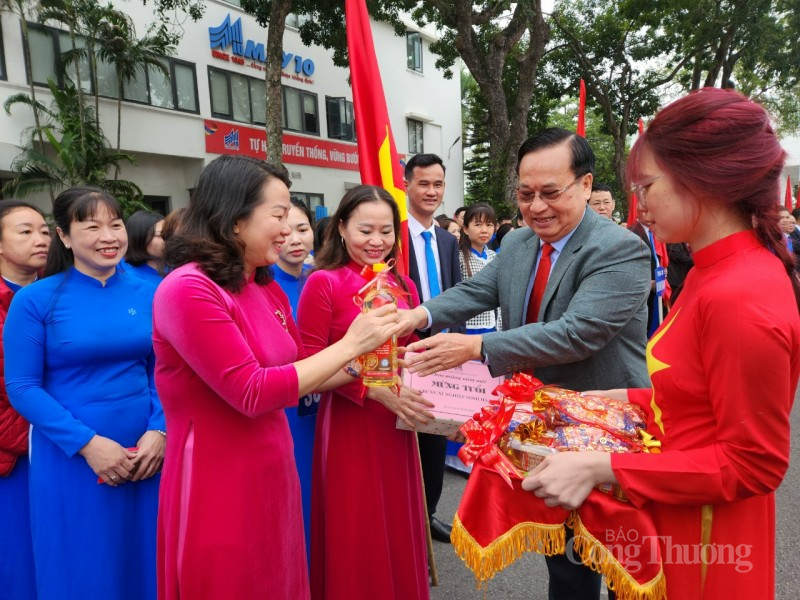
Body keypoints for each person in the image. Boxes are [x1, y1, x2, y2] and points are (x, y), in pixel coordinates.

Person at [522, 89, 800, 598]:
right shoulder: (711, 271)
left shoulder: (740, 293)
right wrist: (616, 402)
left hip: (708, 540)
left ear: (708, 180)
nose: (639, 204)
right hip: (676, 508)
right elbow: (698, 402)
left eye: (647, 186)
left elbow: (753, 462)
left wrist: (599, 465)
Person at [399, 128, 651, 600]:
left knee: (621, 565)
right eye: (525, 193)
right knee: (565, 558)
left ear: (584, 183)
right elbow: (477, 291)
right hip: (541, 426)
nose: (537, 207)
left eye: (550, 193)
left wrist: (476, 348)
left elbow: (579, 332)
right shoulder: (518, 244)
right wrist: (419, 313)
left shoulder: (618, 247)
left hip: (606, 428)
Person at [152, 156, 401, 600]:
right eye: (279, 215)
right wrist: (352, 345)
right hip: (219, 477)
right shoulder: (189, 289)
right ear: (234, 220)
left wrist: (377, 365)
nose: (291, 230)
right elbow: (251, 390)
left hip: (273, 463)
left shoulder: (260, 284)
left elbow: (296, 373)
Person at [4, 187, 164, 600]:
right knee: (82, 565)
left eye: (115, 224)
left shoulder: (152, 292)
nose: (108, 236)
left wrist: (159, 431)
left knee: (147, 561)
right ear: (65, 235)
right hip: (70, 455)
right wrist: (88, 444)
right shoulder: (37, 300)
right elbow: (21, 386)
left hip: (146, 453)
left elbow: (163, 369)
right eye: (92, 226)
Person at [298, 184, 434, 600]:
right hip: (349, 423)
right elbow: (307, 367)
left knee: (397, 519)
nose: (377, 241)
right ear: (341, 229)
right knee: (355, 524)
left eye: (386, 231)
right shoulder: (322, 283)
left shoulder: (402, 283)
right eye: (365, 230)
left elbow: (410, 350)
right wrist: (371, 391)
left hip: (399, 423)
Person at [404, 152, 464, 543]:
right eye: (423, 183)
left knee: (435, 441)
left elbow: (461, 294)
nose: (431, 191)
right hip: (405, 349)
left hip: (444, 351)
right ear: (406, 183)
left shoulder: (445, 239)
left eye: (438, 184)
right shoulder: (389, 236)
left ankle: (428, 516)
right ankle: (405, 523)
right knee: (404, 441)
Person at [0, 200, 50, 600]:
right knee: (20, 563)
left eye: (45, 231)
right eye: (26, 231)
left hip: (60, 443)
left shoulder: (58, 291)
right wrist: (39, 438)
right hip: (15, 455)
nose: (41, 239)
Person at [271, 196, 319, 562]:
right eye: (284, 231)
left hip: (327, 408)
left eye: (302, 229)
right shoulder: (262, 286)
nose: (295, 239)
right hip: (286, 410)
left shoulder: (322, 281)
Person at [458, 202, 499, 334]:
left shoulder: (495, 256)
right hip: (469, 327)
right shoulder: (459, 257)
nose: (484, 230)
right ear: (465, 229)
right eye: (478, 224)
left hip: (495, 325)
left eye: (489, 224)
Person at [125, 210, 165, 285]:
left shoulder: (178, 272)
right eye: (159, 235)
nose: (166, 240)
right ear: (140, 238)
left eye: (168, 234)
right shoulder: (130, 281)